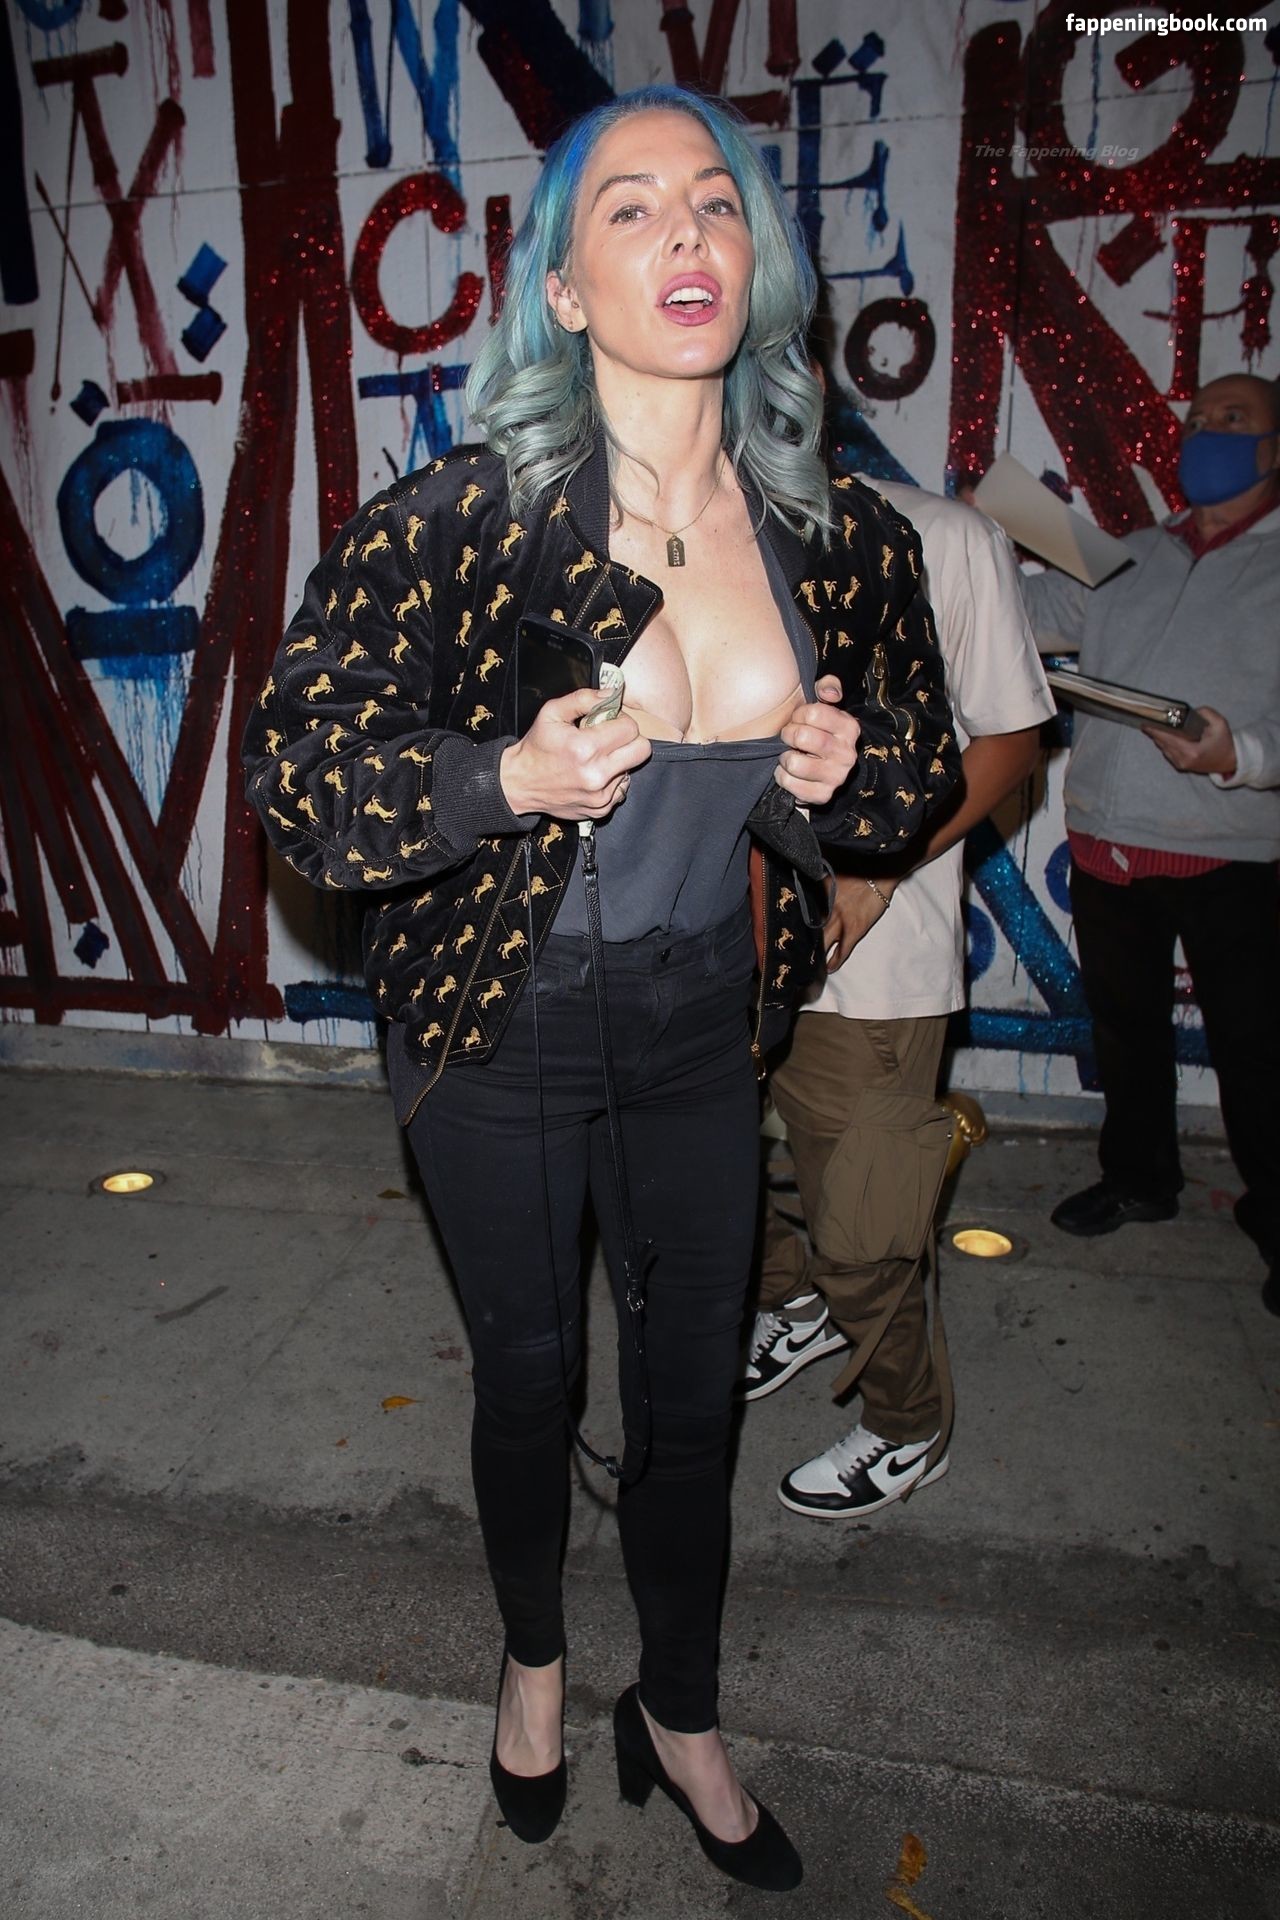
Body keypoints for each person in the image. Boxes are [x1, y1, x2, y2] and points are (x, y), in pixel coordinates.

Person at [243, 85, 957, 1892]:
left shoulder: (841, 534)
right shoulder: (461, 524)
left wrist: (844, 774)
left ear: (757, 261)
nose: (685, 232)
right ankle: (537, 1667)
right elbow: (301, 781)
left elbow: (919, 776)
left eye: (714, 202)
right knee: (531, 1377)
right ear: (563, 291)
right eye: (629, 209)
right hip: (501, 1023)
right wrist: (502, 778)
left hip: (705, 1019)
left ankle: (683, 1711)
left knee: (694, 1401)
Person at [742, 483, 1054, 1518]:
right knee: (699, 1181)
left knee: (864, 1227)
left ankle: (906, 1424)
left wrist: (878, 872)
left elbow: (1010, 739)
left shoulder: (940, 535)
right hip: (709, 940)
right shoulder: (695, 517)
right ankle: (791, 1303)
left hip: (861, 961)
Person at [1022, 373, 1280, 1317]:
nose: (1207, 432)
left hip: (1231, 857)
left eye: (1233, 420)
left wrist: (1240, 754)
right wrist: (976, 534)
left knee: (1259, 1053)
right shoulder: (1130, 553)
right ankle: (1138, 1178)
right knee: (1125, 1035)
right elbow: (1022, 613)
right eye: (1199, 419)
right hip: (1109, 844)